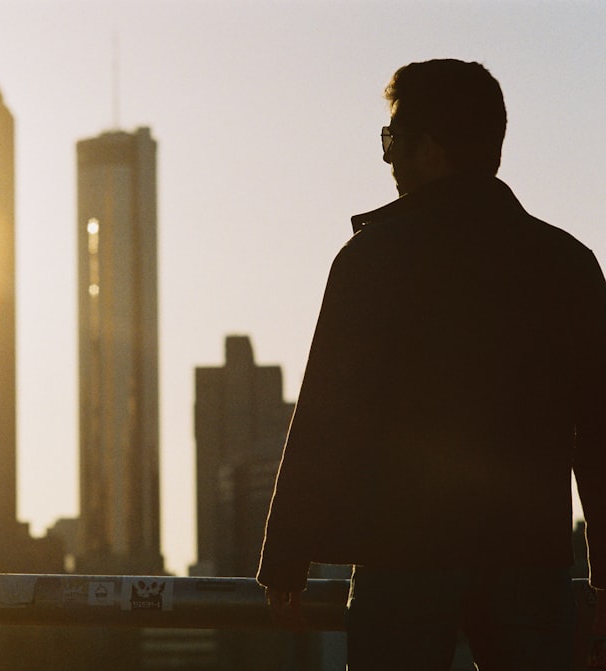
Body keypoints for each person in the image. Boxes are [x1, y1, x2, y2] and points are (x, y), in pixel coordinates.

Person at [256, 59, 606, 670]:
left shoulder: (373, 260)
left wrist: (286, 560)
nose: (388, 161)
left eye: (393, 140)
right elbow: (599, 433)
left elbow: (325, 418)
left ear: (431, 148)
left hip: (403, 556)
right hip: (530, 559)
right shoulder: (568, 264)